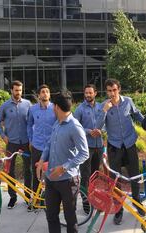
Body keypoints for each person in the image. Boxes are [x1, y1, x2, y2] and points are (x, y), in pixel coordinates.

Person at [36, 90, 89, 233]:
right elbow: (49, 144)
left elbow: (84, 153)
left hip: (68, 180)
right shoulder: (57, 124)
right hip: (51, 178)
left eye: (54, 105)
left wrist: (64, 167)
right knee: (51, 216)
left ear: (57, 107)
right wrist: (41, 161)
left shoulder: (75, 126)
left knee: (70, 219)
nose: (53, 108)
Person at [96, 78, 145, 225]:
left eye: (114, 90)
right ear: (106, 91)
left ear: (119, 89)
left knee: (135, 176)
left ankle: (137, 203)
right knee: (115, 180)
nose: (112, 93)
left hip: (129, 144)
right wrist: (104, 111)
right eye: (109, 91)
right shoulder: (103, 106)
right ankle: (118, 210)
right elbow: (98, 126)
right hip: (114, 147)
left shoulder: (128, 101)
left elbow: (138, 116)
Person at [0, 80, 32, 208]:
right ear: (11, 90)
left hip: (26, 142)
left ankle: (28, 196)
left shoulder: (28, 104)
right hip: (11, 143)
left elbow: (32, 122)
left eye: (20, 90)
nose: (18, 93)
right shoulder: (5, 106)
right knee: (10, 171)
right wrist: (3, 136)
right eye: (16, 90)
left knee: (28, 170)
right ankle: (13, 197)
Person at [27, 84, 56, 211]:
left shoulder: (55, 108)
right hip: (37, 146)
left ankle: (52, 199)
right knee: (36, 174)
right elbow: (29, 125)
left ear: (49, 95)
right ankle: (36, 199)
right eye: (43, 92)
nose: (45, 94)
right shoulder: (33, 109)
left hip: (52, 147)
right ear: (39, 95)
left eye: (47, 92)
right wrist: (30, 140)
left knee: (52, 173)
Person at [73, 84, 103, 189]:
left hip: (99, 146)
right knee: (85, 176)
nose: (88, 95)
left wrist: (101, 131)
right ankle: (86, 203)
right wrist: (89, 131)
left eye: (90, 93)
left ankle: (93, 201)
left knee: (96, 175)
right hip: (86, 147)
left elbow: (106, 123)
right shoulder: (79, 109)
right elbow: (75, 126)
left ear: (95, 93)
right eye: (86, 93)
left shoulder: (101, 107)